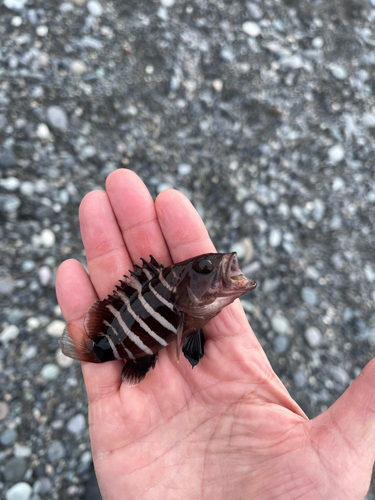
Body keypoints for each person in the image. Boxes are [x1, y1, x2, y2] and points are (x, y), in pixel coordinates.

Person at [56, 169, 375, 500]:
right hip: (120, 347)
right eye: (205, 269)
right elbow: (185, 336)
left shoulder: (192, 309)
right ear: (185, 291)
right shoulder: (182, 310)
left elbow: (189, 334)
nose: (225, 263)